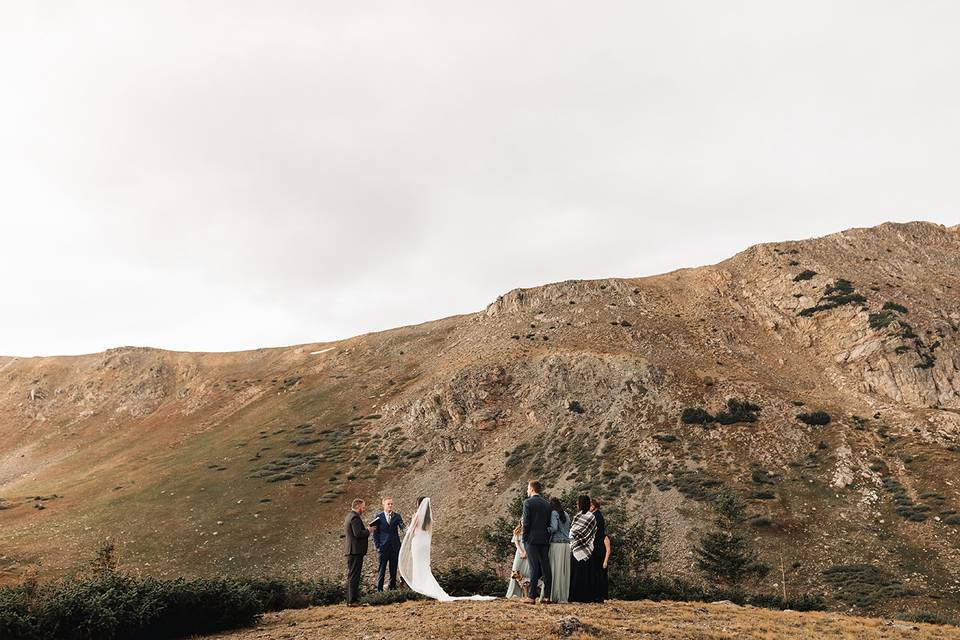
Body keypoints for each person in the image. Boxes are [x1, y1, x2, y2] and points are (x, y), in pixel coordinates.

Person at [398, 496, 494, 602]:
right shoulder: (429, 518)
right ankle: (427, 586)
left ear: (419, 504)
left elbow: (410, 530)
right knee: (424, 566)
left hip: (417, 542)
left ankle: (420, 587)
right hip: (425, 543)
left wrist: (407, 527)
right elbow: (429, 532)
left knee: (417, 565)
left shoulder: (416, 515)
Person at [521, 479, 552, 604]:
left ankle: (532, 596)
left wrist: (524, 539)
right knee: (546, 568)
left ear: (532, 489)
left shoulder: (528, 502)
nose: (527, 490)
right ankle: (547, 596)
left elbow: (526, 523)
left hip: (532, 539)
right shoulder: (547, 504)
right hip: (544, 539)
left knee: (534, 568)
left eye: (528, 488)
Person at [568, 495, 600, 603]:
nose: (576, 505)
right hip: (587, 547)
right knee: (585, 574)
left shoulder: (579, 516)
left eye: (578, 503)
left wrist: (575, 536)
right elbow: (593, 532)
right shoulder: (592, 516)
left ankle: (575, 596)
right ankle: (586, 597)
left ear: (581, 504)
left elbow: (572, 531)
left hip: (578, 547)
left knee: (576, 573)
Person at [343, 497, 374, 607]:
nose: (364, 509)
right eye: (363, 507)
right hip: (355, 551)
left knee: (352, 575)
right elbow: (358, 534)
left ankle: (350, 600)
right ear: (358, 506)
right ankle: (353, 601)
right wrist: (369, 531)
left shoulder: (348, 516)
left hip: (351, 551)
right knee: (354, 576)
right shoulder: (355, 517)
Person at [372, 497, 405, 591]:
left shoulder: (397, 516)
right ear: (384, 505)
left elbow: (403, 528)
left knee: (393, 569)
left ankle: (392, 589)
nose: (390, 505)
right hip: (383, 548)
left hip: (395, 547)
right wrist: (377, 546)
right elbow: (375, 534)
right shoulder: (378, 517)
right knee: (381, 569)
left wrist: (411, 530)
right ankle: (379, 590)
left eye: (391, 504)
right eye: (388, 504)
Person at [547, 496, 571, 603]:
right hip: (566, 545)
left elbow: (554, 528)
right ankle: (562, 595)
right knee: (563, 571)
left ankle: (554, 595)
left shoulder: (554, 513)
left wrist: (546, 529)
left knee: (554, 569)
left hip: (556, 544)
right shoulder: (565, 514)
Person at [590, 498, 609, 602]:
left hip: (597, 546)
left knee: (597, 572)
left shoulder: (595, 517)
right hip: (600, 545)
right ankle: (601, 595)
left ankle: (598, 595)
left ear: (593, 506)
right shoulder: (600, 516)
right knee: (600, 573)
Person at [505, 518, 529, 598]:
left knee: (526, 572)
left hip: (528, 552)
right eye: (522, 520)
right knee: (515, 570)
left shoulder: (530, 531)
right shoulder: (517, 531)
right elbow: (516, 543)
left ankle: (526, 594)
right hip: (519, 553)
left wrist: (526, 552)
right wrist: (521, 552)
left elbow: (530, 542)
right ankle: (514, 593)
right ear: (520, 521)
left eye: (524, 520)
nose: (523, 522)